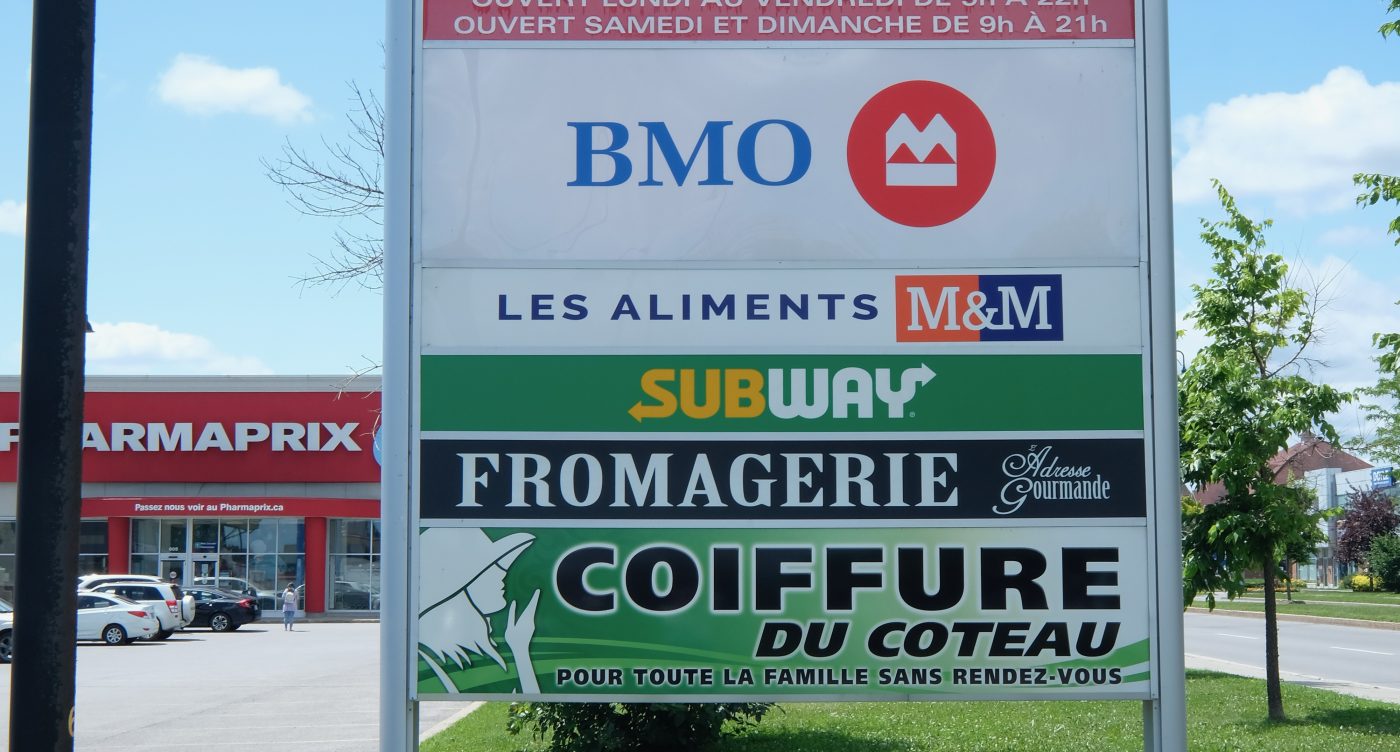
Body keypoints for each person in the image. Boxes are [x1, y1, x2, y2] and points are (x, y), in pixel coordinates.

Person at [417, 528, 539, 693]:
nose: (502, 574)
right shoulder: (429, 663)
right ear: (461, 583)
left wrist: (520, 648)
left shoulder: (485, 656)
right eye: (490, 567)